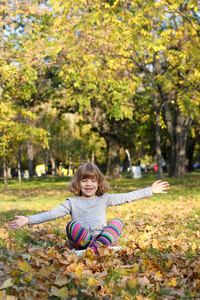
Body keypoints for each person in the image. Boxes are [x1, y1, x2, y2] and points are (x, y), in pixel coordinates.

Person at [8, 162, 169, 254]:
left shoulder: (104, 198)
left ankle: (94, 249)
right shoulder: (72, 202)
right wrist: (28, 220)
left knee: (117, 222)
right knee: (71, 226)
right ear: (78, 183)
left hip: (101, 238)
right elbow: (51, 214)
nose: (89, 184)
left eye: (93, 180)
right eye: (84, 180)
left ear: (99, 183)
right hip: (80, 242)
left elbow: (126, 197)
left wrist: (149, 191)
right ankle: (99, 249)